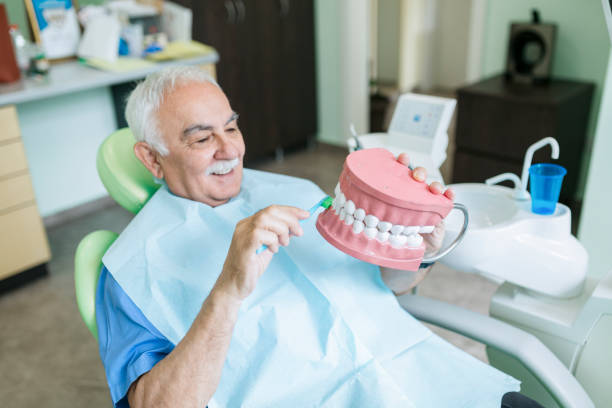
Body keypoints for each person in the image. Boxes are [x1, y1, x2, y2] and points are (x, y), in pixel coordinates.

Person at [96, 67, 538, 407]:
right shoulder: (133, 267)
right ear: (152, 159)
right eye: (202, 139)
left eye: (231, 127)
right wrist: (228, 290)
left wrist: (415, 249)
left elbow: (386, 286)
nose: (230, 150)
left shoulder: (295, 193)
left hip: (419, 378)